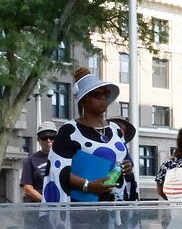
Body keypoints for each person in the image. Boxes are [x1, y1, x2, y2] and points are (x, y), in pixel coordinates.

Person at [41, 68, 131, 203]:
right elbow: (58, 171)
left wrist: (128, 167)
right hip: (83, 209)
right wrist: (88, 185)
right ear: (83, 100)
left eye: (106, 93)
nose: (103, 98)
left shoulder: (115, 129)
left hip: (116, 205)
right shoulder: (69, 130)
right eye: (97, 94)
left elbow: (126, 161)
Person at [19, 125, 56, 203]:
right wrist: (46, 202)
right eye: (44, 137)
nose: (48, 140)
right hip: (38, 209)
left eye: (52, 137)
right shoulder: (31, 160)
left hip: (62, 207)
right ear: (38, 140)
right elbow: (27, 189)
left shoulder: (65, 158)